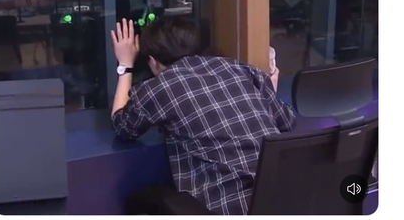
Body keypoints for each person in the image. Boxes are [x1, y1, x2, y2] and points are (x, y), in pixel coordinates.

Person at [110, 17, 296, 215]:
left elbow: (123, 126)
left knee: (141, 200)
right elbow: (286, 120)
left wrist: (125, 66)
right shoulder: (242, 69)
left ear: (153, 62)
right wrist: (265, 97)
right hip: (286, 201)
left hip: (230, 208)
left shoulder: (159, 87)